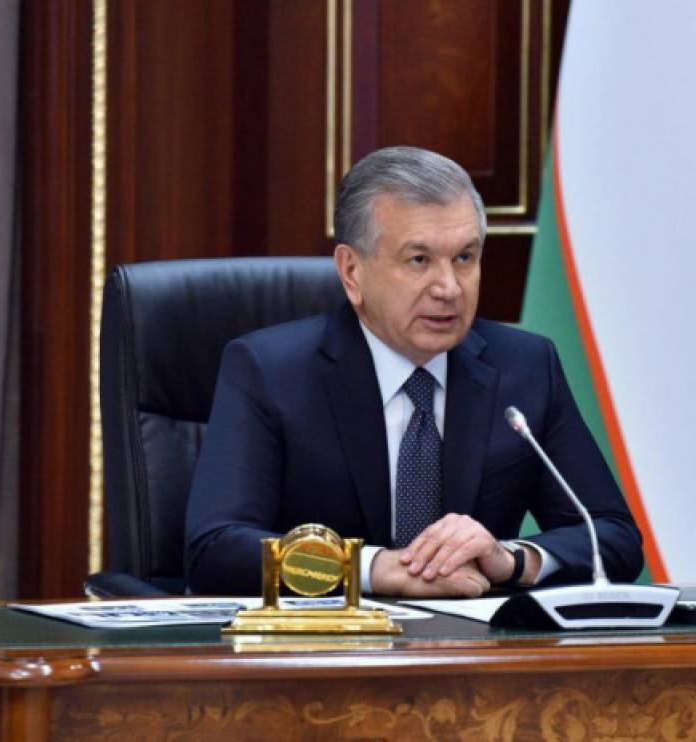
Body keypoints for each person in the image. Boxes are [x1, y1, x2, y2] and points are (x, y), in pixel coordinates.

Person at [184, 146, 643, 597]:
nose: (448, 288)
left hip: (476, 640)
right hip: (328, 640)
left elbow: (613, 536)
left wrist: (511, 560)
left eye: (464, 258)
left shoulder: (525, 367)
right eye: (419, 260)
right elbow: (215, 548)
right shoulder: (269, 372)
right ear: (352, 272)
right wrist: (373, 569)